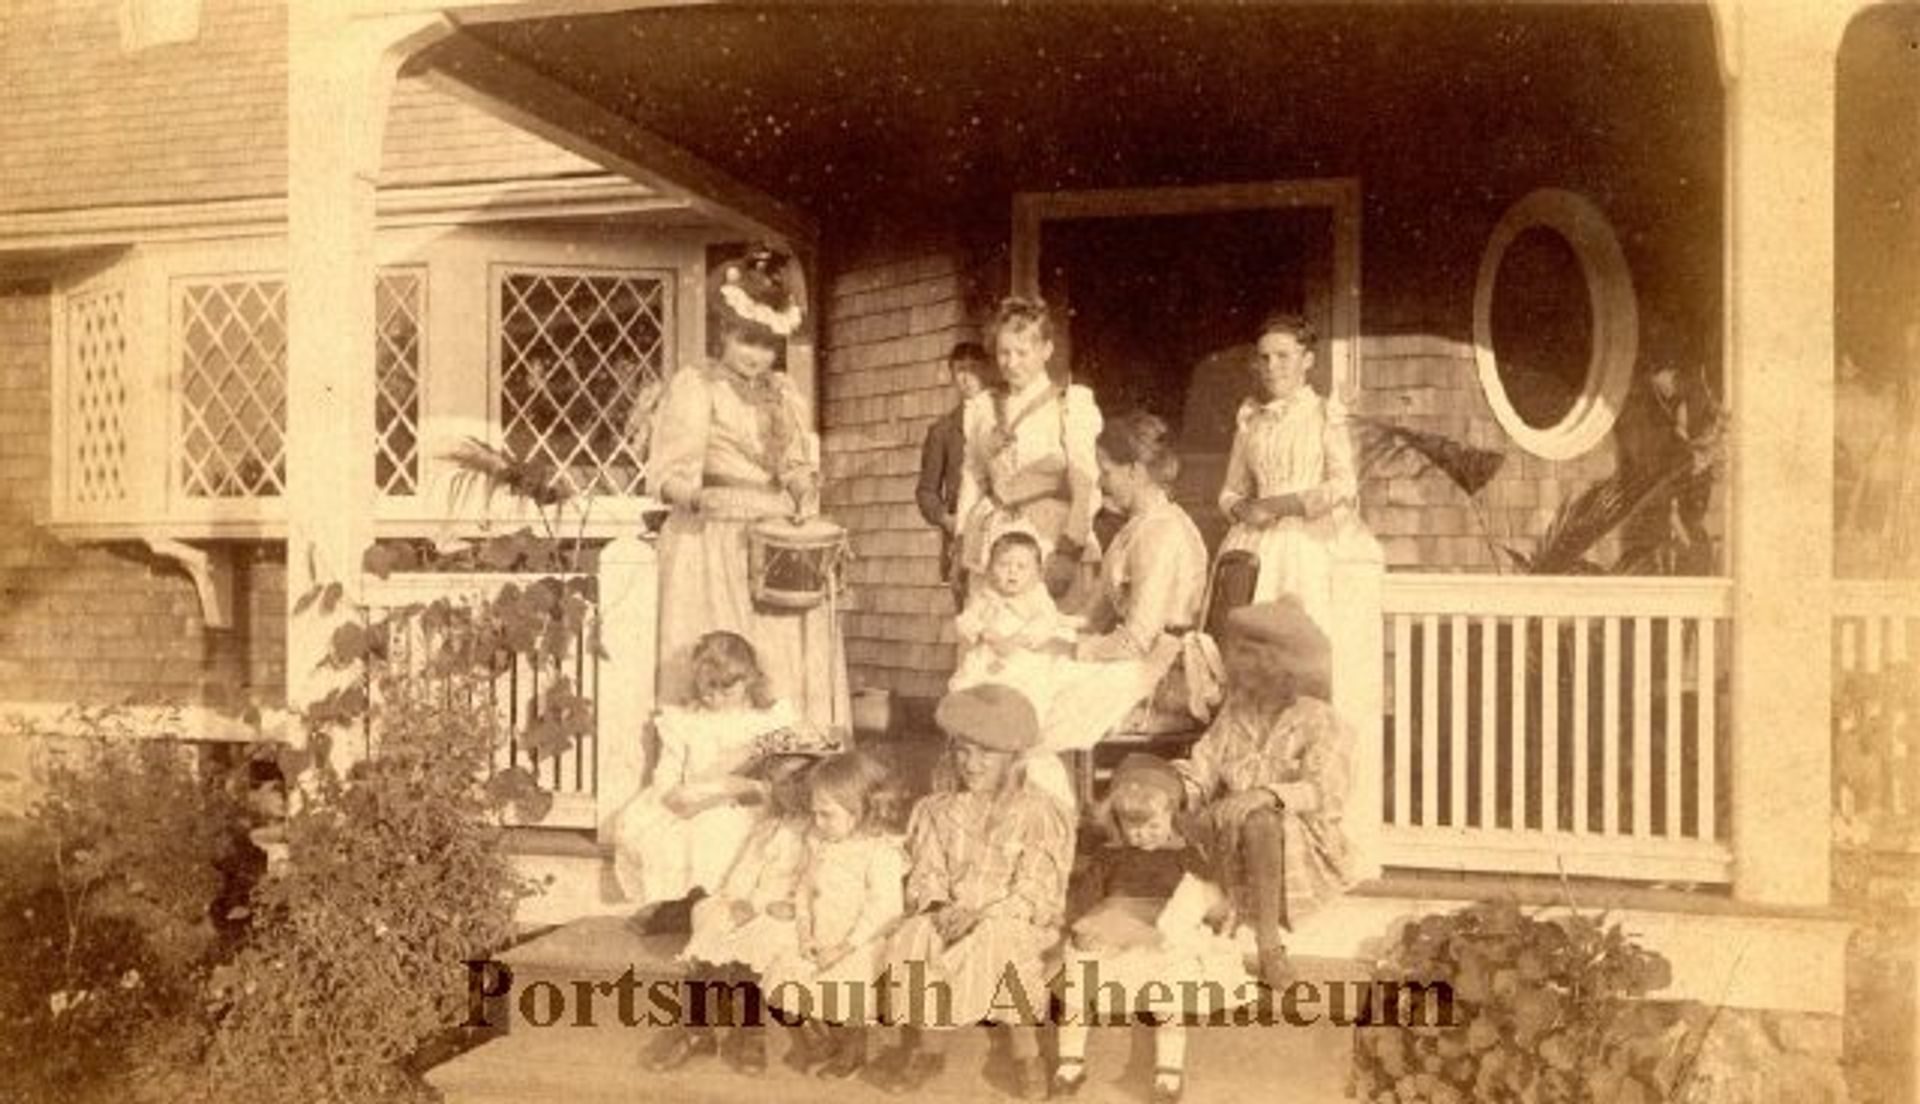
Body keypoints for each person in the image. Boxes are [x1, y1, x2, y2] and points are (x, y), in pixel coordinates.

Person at [648, 245, 849, 732]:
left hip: (777, 538)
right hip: (716, 540)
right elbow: (666, 474)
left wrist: (802, 489)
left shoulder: (784, 393)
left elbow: (796, 461)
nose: (756, 355)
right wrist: (698, 497)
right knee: (730, 649)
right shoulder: (698, 385)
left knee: (782, 653)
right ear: (724, 333)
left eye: (765, 345)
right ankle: (716, 759)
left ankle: (791, 758)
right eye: (746, 341)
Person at [864, 684, 1075, 1100]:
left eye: (985, 753)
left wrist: (983, 915)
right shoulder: (936, 808)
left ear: (1013, 759)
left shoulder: (1038, 812)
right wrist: (940, 906)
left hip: (1014, 915)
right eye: (962, 751)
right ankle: (929, 1049)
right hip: (951, 909)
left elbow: (1037, 886)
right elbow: (927, 871)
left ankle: (1026, 1053)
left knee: (1001, 941)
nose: (971, 764)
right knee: (918, 936)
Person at [1024, 412, 1211, 810]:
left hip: (1161, 675)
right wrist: (1041, 630)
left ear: (1135, 470)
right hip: (1134, 661)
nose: (1101, 480)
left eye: (1106, 470)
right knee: (1027, 670)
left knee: (1041, 702)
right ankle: (1046, 810)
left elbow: (1137, 640)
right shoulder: (1135, 528)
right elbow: (1092, 618)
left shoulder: (1162, 533)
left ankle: (1055, 815)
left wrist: (1073, 650)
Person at [1174, 598, 1360, 991]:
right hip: (1233, 830)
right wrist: (1172, 789)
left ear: (1287, 667)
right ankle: (1185, 936)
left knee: (1260, 819)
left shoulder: (1320, 719)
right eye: (1244, 660)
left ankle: (1269, 946)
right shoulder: (1236, 714)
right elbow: (1202, 769)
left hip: (1303, 840)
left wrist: (1263, 795)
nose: (1248, 673)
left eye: (1261, 662)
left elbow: (1325, 793)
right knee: (1178, 814)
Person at [1053, 754, 1251, 1104]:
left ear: (1172, 815)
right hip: (1116, 935)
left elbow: (1209, 899)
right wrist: (1083, 926)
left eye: (1153, 826)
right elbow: (1085, 899)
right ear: (1118, 822)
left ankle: (1168, 1073)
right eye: (1133, 827)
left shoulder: (1186, 855)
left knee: (1172, 991)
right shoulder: (1110, 855)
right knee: (1078, 972)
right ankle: (1070, 1061)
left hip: (1164, 939)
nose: (1143, 835)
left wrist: (1213, 908)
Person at [611, 631, 833, 912]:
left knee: (734, 828)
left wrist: (761, 750)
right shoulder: (687, 722)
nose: (716, 697)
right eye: (708, 688)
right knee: (692, 830)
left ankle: (724, 908)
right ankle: (691, 907)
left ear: (750, 679)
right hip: (700, 799)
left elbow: (821, 744)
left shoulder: (770, 718)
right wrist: (682, 793)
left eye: (726, 689)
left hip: (757, 801)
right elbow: (668, 780)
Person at [649, 751, 820, 1075]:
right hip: (751, 902)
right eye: (779, 782)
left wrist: (795, 906)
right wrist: (738, 899)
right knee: (715, 922)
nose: (788, 789)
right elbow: (745, 868)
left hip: (787, 911)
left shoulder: (818, 830)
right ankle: (697, 1029)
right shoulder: (768, 826)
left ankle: (750, 1030)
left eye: (798, 780)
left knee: (759, 941)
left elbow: (818, 880)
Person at [762, 751, 907, 1080]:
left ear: (861, 811)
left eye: (827, 815)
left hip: (859, 942)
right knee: (786, 979)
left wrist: (844, 947)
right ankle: (819, 1040)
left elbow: (885, 909)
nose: (817, 823)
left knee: (846, 993)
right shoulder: (818, 840)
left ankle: (851, 1050)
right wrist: (804, 932)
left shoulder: (880, 851)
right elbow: (804, 888)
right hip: (819, 935)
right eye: (814, 813)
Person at [954, 297, 1103, 610]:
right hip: (993, 540)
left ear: (1046, 350)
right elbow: (973, 477)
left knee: (1045, 643)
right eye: (1003, 352)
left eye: (1022, 352)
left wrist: (1069, 551)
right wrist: (959, 542)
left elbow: (1086, 484)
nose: (1011, 362)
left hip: (1051, 540)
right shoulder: (983, 408)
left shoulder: (1069, 404)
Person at [1216, 312, 1358, 632]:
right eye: (1264, 358)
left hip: (1306, 542)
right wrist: (1242, 508)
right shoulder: (1252, 420)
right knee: (1248, 637)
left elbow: (1344, 484)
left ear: (1307, 360)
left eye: (1283, 356)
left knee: (1299, 635)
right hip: (1252, 540)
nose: (1271, 366)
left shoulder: (1325, 414)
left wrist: (1279, 505)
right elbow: (1229, 492)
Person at [947, 525, 1076, 702]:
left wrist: (1017, 640)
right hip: (988, 654)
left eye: (1021, 567)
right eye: (1003, 564)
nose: (1012, 571)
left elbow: (1046, 621)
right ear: (990, 569)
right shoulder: (986, 595)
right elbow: (966, 620)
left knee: (1026, 684)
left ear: (1037, 573)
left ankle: (1018, 712)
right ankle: (969, 711)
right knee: (970, 679)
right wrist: (984, 632)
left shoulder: (1036, 596)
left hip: (1022, 654)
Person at [918, 342, 996, 605]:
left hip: (1000, 527)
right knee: (969, 619)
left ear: (986, 371)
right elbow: (926, 491)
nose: (967, 377)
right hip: (962, 534)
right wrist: (947, 519)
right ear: (951, 374)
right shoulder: (942, 430)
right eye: (960, 370)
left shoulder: (1003, 417)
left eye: (974, 369)